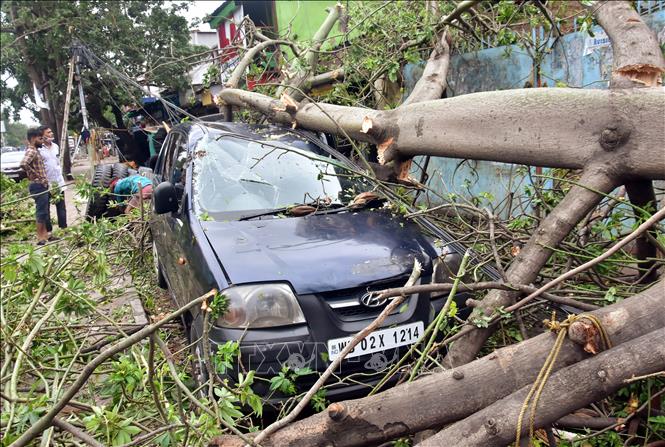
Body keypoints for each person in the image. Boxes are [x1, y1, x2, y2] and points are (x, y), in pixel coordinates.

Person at [20, 128, 51, 245]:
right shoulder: (31, 151)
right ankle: (40, 237)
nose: (42, 141)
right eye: (40, 139)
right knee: (41, 211)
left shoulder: (36, 151)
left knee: (44, 210)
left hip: (42, 184)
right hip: (37, 185)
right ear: (33, 139)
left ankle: (44, 235)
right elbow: (23, 163)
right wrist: (37, 175)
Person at [37, 125, 67, 230]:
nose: (51, 134)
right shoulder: (39, 150)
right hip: (46, 183)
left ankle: (63, 228)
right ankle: (49, 231)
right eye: (48, 133)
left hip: (58, 181)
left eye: (51, 132)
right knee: (46, 209)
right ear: (42, 136)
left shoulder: (56, 147)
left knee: (61, 206)